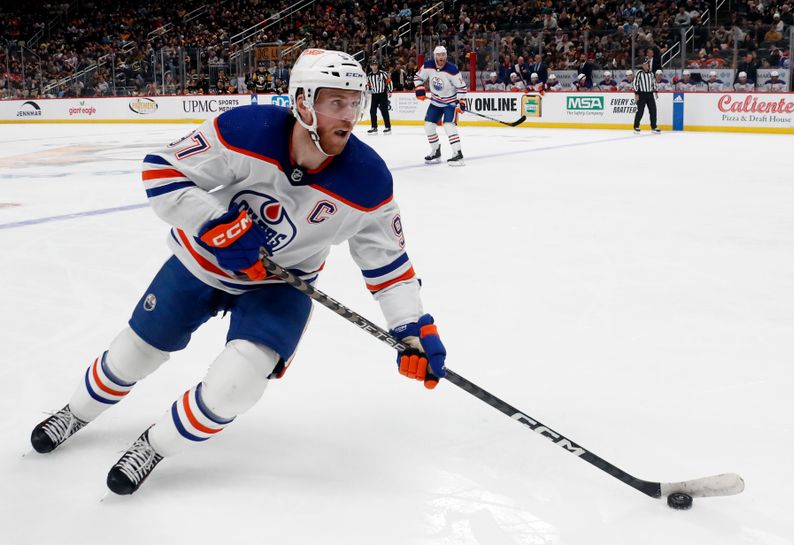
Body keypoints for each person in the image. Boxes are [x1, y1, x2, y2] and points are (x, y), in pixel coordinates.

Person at [29, 49, 448, 495]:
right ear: (303, 102)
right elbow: (163, 169)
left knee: (237, 386)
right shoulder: (247, 129)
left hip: (282, 284)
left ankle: (154, 446)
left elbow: (388, 266)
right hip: (202, 263)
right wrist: (213, 223)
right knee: (135, 354)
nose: (349, 115)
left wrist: (410, 328)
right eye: (335, 102)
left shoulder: (368, 181)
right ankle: (76, 412)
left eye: (354, 102)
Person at [414, 45, 467, 166]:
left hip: (450, 103)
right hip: (435, 102)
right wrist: (420, 89)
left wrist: (461, 102)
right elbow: (418, 77)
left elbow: (462, 87)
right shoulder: (428, 65)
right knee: (428, 127)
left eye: (443, 55)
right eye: (438, 55)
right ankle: (436, 150)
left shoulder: (452, 70)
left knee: (449, 126)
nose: (441, 57)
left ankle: (458, 154)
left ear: (446, 56)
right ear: (435, 56)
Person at [633, 58, 659, 134]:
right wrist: (636, 93)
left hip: (650, 94)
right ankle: (636, 126)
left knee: (653, 110)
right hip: (641, 94)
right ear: (643, 65)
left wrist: (656, 91)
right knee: (640, 111)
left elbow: (654, 83)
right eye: (646, 64)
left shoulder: (651, 73)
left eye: (648, 64)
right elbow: (635, 83)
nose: (647, 65)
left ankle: (654, 127)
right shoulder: (639, 73)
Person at [366, 58, 392, 134]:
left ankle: (388, 127)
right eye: (372, 65)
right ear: (370, 66)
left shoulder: (382, 73)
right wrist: (368, 90)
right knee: (372, 111)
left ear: (377, 66)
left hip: (382, 94)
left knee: (384, 111)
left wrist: (390, 90)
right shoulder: (369, 75)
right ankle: (374, 127)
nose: (374, 66)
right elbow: (368, 84)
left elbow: (389, 81)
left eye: (375, 65)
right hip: (374, 95)